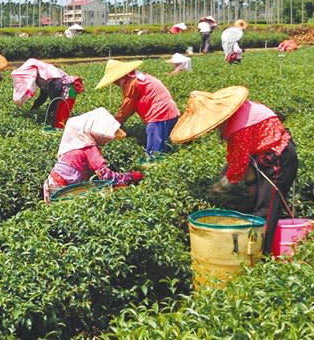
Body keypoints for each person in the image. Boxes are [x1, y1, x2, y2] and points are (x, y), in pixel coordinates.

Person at [170, 86, 298, 254]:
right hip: (267, 157)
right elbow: (239, 159)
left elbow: (238, 165)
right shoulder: (241, 113)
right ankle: (265, 247)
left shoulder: (240, 127)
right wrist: (251, 187)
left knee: (265, 211)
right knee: (262, 204)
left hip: (279, 160)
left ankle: (260, 258)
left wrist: (221, 186)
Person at [42, 107, 145, 203]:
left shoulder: (73, 144)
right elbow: (108, 178)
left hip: (51, 186)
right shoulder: (89, 148)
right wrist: (132, 176)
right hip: (63, 192)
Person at [95, 59, 179, 158]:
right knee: (162, 147)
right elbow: (132, 105)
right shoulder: (137, 77)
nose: (115, 83)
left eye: (115, 81)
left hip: (160, 114)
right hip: (167, 112)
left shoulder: (132, 82)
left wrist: (115, 122)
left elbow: (128, 106)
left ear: (120, 77)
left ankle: (154, 168)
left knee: (154, 154)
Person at [11, 59, 84, 129]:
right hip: (65, 89)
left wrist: (49, 111)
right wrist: (34, 108)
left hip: (68, 89)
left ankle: (61, 129)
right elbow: (43, 96)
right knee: (59, 112)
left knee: (60, 114)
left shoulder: (51, 78)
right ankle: (59, 125)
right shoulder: (43, 78)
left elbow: (55, 96)